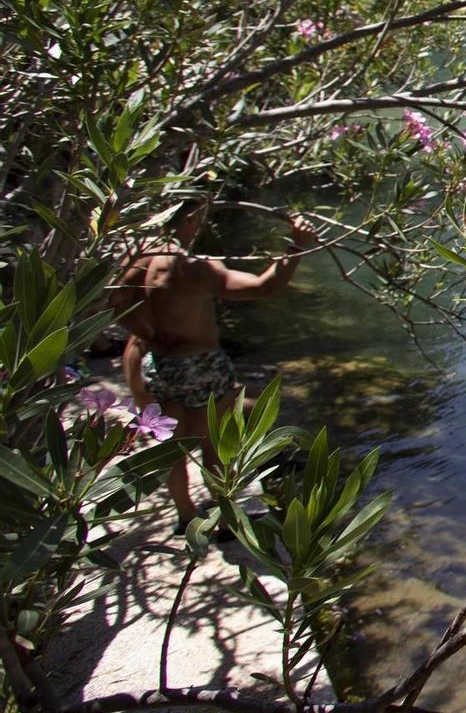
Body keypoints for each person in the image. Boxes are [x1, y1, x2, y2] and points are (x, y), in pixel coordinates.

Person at [113, 199, 317, 529]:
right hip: (201, 365)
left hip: (159, 364)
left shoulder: (133, 261)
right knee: (215, 447)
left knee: (172, 449)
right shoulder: (191, 269)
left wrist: (145, 333)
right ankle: (224, 524)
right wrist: (296, 246)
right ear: (190, 220)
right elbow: (264, 287)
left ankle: (185, 516)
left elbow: (113, 305)